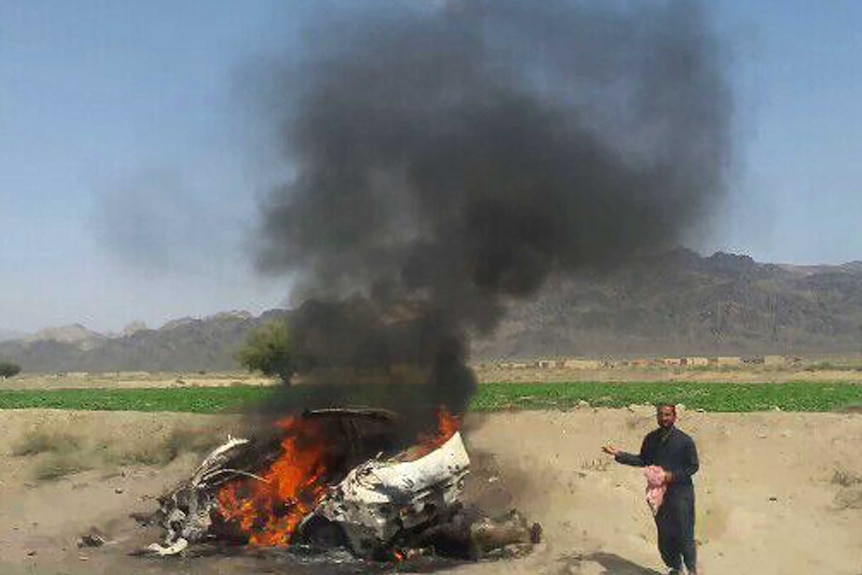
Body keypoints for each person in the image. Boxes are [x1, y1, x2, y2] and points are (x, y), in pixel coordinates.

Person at [602, 404, 699, 575]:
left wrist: (671, 476)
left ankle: (692, 570)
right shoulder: (651, 439)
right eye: (660, 415)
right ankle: (676, 568)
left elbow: (693, 467)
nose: (664, 418)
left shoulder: (685, 441)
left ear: (675, 417)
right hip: (659, 495)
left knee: (684, 532)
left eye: (667, 415)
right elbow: (642, 460)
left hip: (681, 493)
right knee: (665, 535)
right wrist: (619, 455)